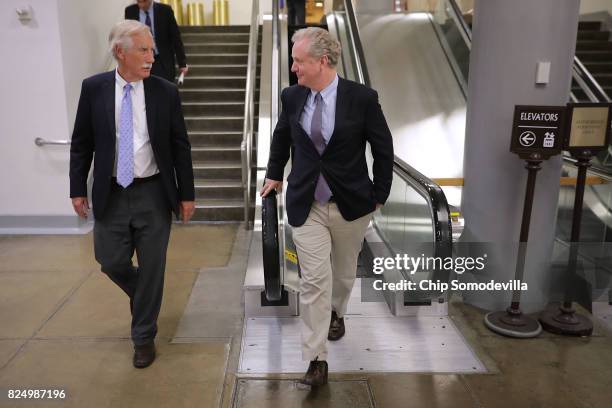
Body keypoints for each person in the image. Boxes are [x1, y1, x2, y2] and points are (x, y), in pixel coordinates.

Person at [260, 27, 394, 386]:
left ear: (322, 61)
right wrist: (274, 174)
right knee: (314, 281)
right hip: (307, 203)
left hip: (351, 202)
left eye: (299, 61)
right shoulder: (292, 97)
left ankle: (338, 312)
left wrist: (380, 193)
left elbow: (383, 148)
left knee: (344, 273)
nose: (293, 67)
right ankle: (316, 360)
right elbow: (282, 136)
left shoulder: (362, 98)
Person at [69, 20, 195, 368]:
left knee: (153, 266)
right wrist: (77, 188)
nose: (151, 57)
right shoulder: (93, 88)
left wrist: (187, 194)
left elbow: (180, 146)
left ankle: (143, 338)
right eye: (143, 50)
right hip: (111, 191)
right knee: (109, 261)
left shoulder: (164, 91)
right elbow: (81, 144)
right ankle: (147, 296)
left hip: (154, 191)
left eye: (152, 49)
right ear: (119, 52)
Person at [125, 0, 188, 82]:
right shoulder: (130, 11)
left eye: (144, 1)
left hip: (161, 61)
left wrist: (182, 63)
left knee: (164, 91)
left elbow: (175, 37)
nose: (141, 4)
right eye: (139, 2)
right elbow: (127, 38)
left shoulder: (165, 10)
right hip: (140, 61)